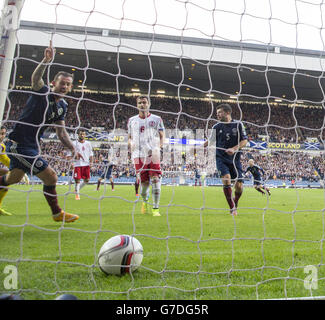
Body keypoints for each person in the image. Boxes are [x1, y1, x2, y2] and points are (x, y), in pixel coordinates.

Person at [0, 41, 82, 222]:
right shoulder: (42, 92)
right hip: (19, 144)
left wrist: (73, 148)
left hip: (32, 146)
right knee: (51, 177)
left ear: (70, 87)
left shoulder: (63, 106)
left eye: (68, 84)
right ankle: (57, 213)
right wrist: (46, 61)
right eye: (62, 83)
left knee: (12, 179)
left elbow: (61, 133)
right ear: (54, 83)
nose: (65, 86)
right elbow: (35, 79)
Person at [204, 103, 248, 216]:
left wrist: (234, 148)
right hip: (221, 158)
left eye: (220, 112)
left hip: (235, 160)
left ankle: (235, 201)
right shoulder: (216, 127)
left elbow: (245, 141)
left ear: (227, 112)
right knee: (227, 179)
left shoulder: (238, 124)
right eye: (217, 113)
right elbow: (210, 141)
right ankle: (232, 208)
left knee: (239, 186)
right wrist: (198, 148)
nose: (217, 115)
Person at [128, 95, 165, 217]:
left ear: (149, 104)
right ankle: (145, 200)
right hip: (138, 155)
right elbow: (129, 138)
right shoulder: (132, 120)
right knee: (143, 185)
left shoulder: (157, 119)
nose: (142, 105)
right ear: (137, 105)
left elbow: (162, 135)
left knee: (155, 179)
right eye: (140, 103)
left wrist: (158, 147)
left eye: (144, 102)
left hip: (153, 153)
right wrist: (130, 144)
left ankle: (156, 208)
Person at [0, 127, 29, 216]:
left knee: (7, 179)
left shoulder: (2, 146)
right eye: (0, 133)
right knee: (6, 176)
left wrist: (19, 170)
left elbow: (5, 160)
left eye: (3, 134)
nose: (1, 136)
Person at [67, 130, 93, 200]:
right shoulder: (74, 143)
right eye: (81, 134)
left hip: (86, 164)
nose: (82, 135)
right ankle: (77, 195)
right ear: (78, 135)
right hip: (77, 164)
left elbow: (91, 154)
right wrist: (71, 163)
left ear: (85, 135)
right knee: (77, 180)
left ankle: (76, 190)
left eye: (83, 134)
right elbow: (69, 154)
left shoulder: (88, 143)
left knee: (87, 180)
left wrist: (91, 162)